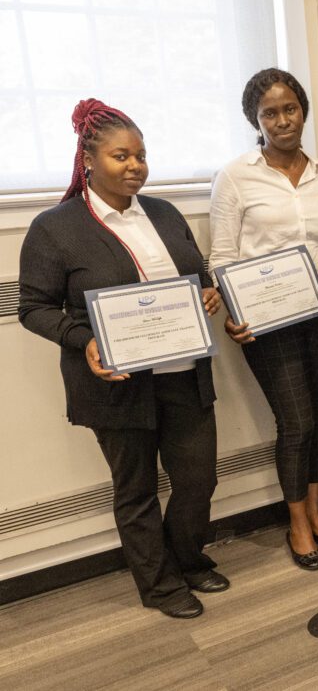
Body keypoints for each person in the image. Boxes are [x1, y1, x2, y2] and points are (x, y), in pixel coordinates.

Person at [19, 99, 227, 619]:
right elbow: (33, 307)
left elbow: (197, 273)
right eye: (121, 156)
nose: (136, 166)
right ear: (88, 160)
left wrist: (208, 291)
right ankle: (159, 585)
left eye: (141, 155)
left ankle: (187, 557)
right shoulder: (54, 227)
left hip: (183, 372)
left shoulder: (163, 212)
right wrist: (82, 338)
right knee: (135, 490)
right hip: (115, 381)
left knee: (199, 477)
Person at [209, 68, 318, 572]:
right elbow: (221, 256)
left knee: (317, 413)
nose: (283, 119)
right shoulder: (235, 176)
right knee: (297, 420)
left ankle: (316, 510)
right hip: (266, 323)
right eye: (270, 112)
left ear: (303, 111)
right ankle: (296, 523)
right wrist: (235, 312)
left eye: (290, 108)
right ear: (255, 118)